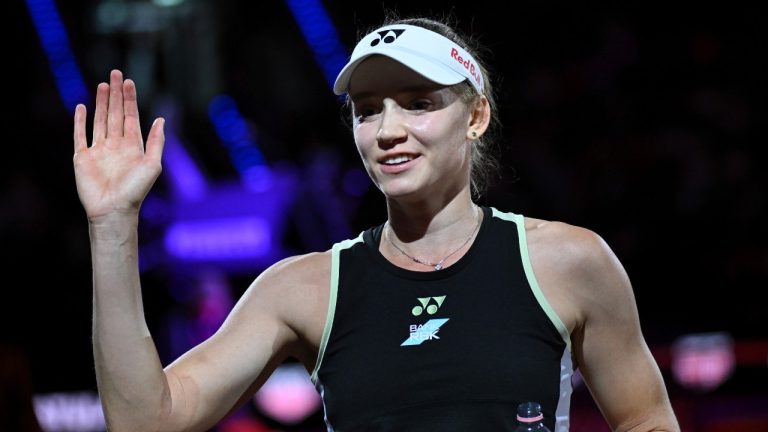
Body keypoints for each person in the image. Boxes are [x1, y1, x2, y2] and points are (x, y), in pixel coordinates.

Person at [72, 14, 680, 432]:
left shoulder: (569, 262)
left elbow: (647, 419)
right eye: (368, 111)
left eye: (418, 103)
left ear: (476, 117)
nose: (388, 130)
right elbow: (145, 421)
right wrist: (113, 224)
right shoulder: (304, 288)